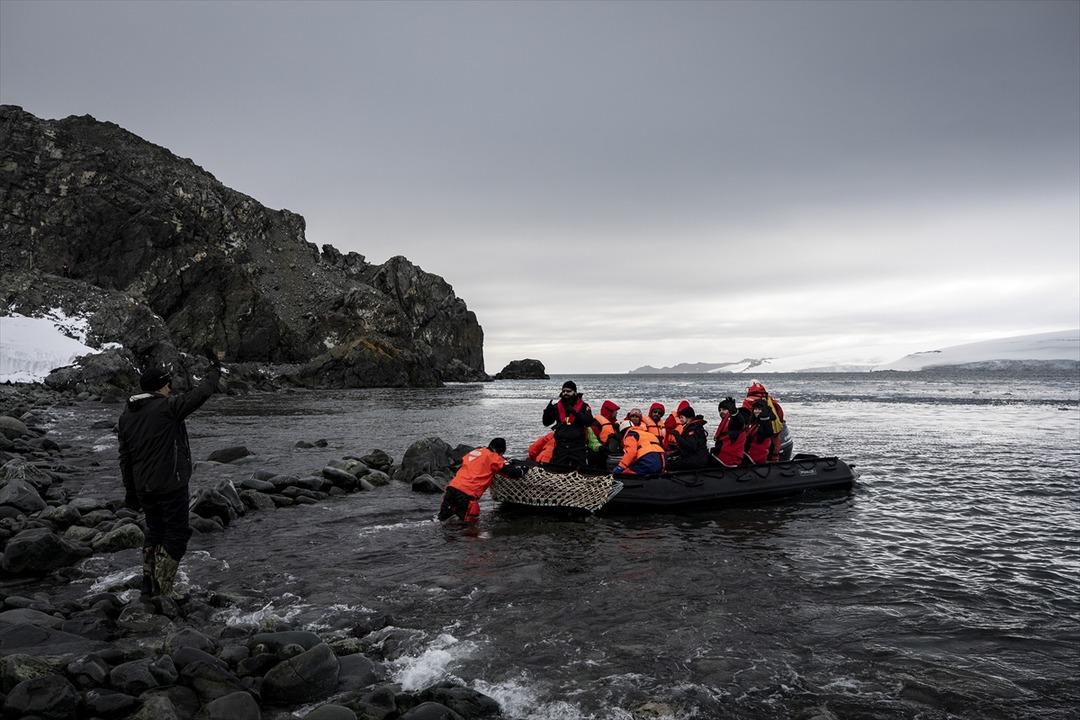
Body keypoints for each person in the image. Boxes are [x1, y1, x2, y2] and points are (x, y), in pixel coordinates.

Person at [119, 352, 222, 599]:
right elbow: (200, 395)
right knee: (176, 535)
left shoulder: (126, 415)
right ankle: (163, 589)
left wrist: (130, 492)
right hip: (170, 484)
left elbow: (125, 458)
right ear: (161, 387)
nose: (170, 389)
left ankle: (148, 585)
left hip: (144, 487)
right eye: (168, 385)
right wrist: (215, 371)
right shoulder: (167, 408)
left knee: (154, 531)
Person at [438, 438, 523, 523]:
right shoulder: (493, 457)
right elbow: (512, 473)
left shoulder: (475, 452)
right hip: (466, 495)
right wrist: (522, 470)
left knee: (444, 520)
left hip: (452, 489)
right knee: (468, 527)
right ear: (499, 451)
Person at [541, 381, 594, 467]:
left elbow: (589, 422)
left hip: (578, 445)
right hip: (561, 445)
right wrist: (547, 412)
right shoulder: (557, 406)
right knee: (558, 471)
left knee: (581, 471)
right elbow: (546, 423)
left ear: (575, 392)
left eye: (569, 391)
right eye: (564, 391)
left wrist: (574, 412)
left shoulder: (584, 406)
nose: (565, 393)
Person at [669, 405, 711, 469]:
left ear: (688, 417)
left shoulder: (692, 429)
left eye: (681, 417)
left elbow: (691, 447)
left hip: (696, 460)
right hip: (700, 458)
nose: (680, 420)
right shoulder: (696, 427)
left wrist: (677, 436)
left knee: (669, 465)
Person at [745, 399, 777, 464]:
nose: (756, 411)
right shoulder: (752, 423)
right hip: (749, 455)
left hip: (759, 458)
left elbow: (767, 433)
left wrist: (764, 418)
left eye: (759, 409)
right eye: (755, 409)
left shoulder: (766, 424)